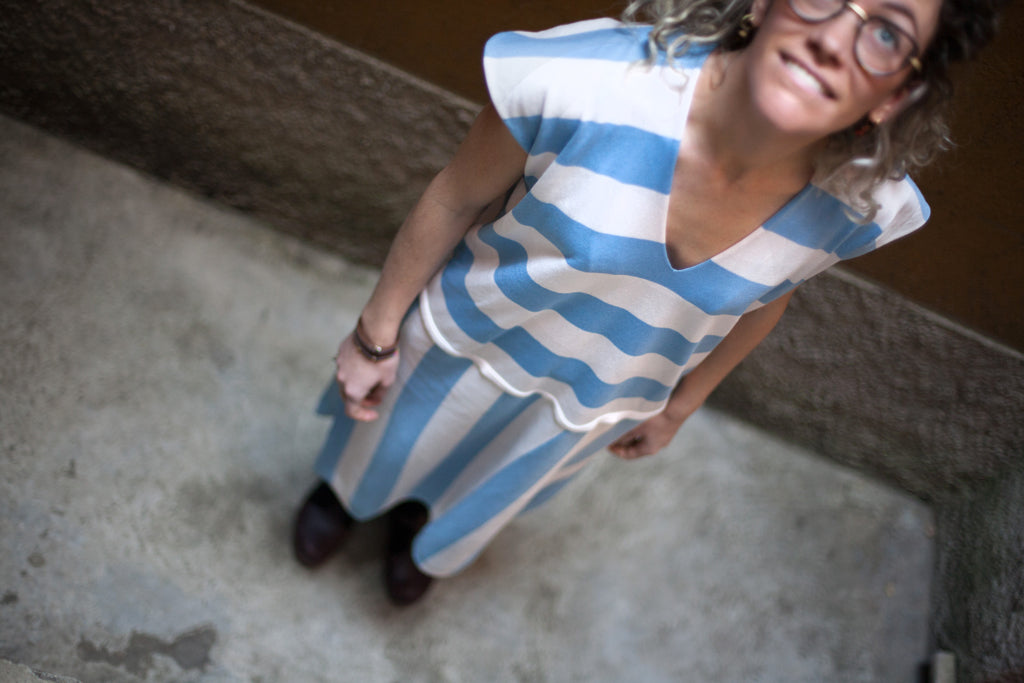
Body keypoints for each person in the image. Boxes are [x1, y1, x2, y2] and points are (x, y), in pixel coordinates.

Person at [292, 0, 1002, 605]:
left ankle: (420, 536)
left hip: (594, 402)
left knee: (480, 488)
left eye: (886, 33)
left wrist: (682, 405)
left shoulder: (857, 204)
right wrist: (374, 336)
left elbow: (768, 296)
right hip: (467, 340)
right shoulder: (590, 80)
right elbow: (455, 196)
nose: (833, 38)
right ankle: (343, 501)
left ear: (896, 95)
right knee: (384, 444)